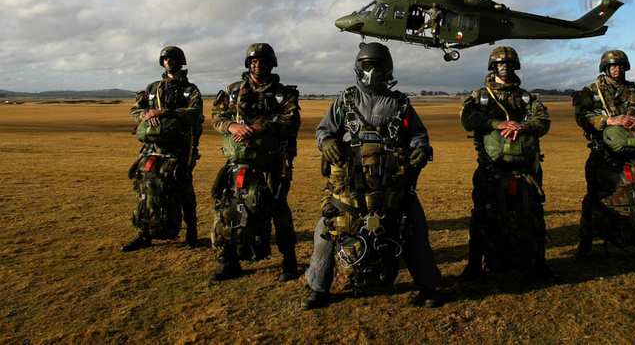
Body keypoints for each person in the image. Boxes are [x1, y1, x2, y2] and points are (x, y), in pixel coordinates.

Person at [301, 42, 442, 309]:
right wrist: (326, 142)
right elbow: (323, 130)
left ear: (389, 71)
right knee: (327, 228)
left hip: (392, 183)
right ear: (358, 67)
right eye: (368, 66)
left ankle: (428, 288)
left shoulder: (401, 103)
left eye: (378, 67)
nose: (372, 72)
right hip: (349, 185)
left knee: (414, 225)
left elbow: (417, 134)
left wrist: (420, 149)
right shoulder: (344, 101)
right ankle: (317, 288)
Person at [458, 46, 556, 282]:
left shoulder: (527, 98)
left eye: (510, 64)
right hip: (491, 167)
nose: (506, 68)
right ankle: (474, 265)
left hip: (525, 170)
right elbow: (467, 118)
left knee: (532, 215)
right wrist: (497, 124)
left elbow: (543, 120)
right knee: (482, 215)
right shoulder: (479, 96)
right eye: (501, 64)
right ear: (493, 67)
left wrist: (523, 126)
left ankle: (538, 263)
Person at [572, 49, 635, 264]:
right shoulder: (591, 92)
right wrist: (606, 122)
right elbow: (582, 116)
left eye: (620, 65)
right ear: (605, 68)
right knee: (595, 200)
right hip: (603, 156)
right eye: (612, 66)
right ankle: (586, 246)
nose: (617, 69)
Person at [208, 43, 300, 282]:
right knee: (229, 209)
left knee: (278, 210)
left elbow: (291, 124)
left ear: (272, 63)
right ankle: (230, 262)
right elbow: (216, 116)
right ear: (248, 64)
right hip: (238, 161)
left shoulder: (284, 94)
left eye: (262, 60)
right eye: (253, 61)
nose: (257, 64)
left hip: (273, 163)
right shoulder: (233, 91)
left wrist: (261, 128)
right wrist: (231, 126)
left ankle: (289, 261)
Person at [123, 46, 203, 251]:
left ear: (180, 61)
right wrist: (147, 115)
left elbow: (194, 113)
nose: (168, 62)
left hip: (180, 148)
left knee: (184, 189)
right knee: (145, 188)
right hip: (152, 148)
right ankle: (144, 234)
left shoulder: (190, 90)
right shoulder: (152, 89)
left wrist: (166, 112)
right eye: (165, 59)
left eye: (172, 59)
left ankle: (191, 232)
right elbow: (136, 110)